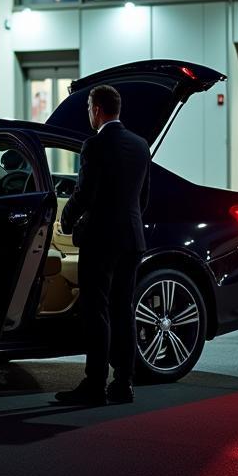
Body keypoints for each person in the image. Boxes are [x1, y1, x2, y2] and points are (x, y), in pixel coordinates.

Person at [55, 84, 150, 406]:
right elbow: (143, 197)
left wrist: (66, 220)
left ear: (97, 109)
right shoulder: (140, 145)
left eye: (88, 109)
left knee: (97, 312)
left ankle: (94, 385)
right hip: (132, 238)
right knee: (124, 310)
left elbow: (84, 192)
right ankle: (123, 384)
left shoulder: (94, 145)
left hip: (101, 240)